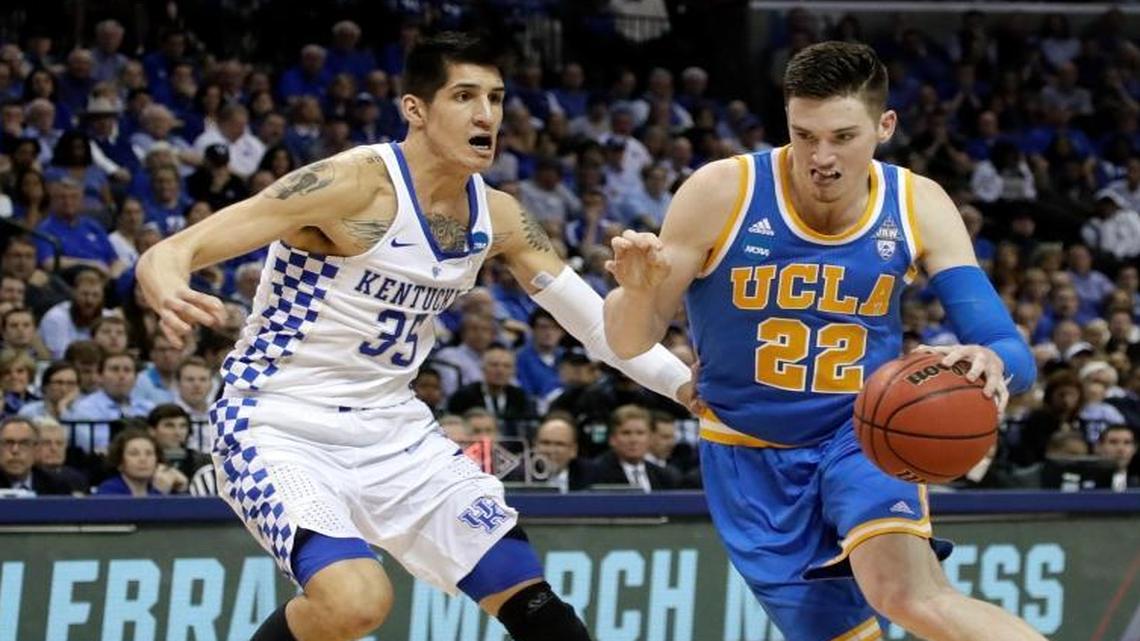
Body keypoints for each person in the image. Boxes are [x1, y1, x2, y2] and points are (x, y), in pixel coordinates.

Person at [137, 32, 691, 641]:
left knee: (534, 603)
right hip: (278, 419)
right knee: (355, 602)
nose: (486, 115)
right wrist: (166, 285)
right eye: (464, 96)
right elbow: (175, 249)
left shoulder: (499, 216)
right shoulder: (351, 185)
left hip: (393, 427)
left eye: (495, 98)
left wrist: (686, 387)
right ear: (415, 109)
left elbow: (597, 328)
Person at [603, 41, 1043, 641]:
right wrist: (634, 293)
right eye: (804, 135)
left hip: (863, 435)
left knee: (912, 596)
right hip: (747, 455)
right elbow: (628, 340)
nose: (822, 158)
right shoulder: (722, 191)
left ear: (885, 126)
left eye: (843, 137)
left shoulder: (917, 202)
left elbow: (1010, 352)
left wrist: (991, 359)